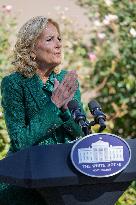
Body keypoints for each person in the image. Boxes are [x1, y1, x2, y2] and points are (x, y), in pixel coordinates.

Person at [0, 16, 85, 204]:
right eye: (50, 39)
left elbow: (82, 132)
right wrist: (53, 105)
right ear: (30, 48)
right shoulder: (14, 84)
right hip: (24, 184)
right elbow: (20, 141)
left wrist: (64, 109)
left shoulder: (66, 80)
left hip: (63, 179)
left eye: (59, 39)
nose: (58, 45)